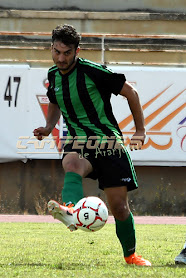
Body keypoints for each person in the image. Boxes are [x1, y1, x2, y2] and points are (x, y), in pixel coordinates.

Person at [34, 24, 151, 266]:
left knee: (119, 207)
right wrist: (48, 127)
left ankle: (130, 256)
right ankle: (69, 210)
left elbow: (132, 93)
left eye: (67, 53)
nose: (61, 58)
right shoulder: (53, 76)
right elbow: (55, 102)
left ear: (78, 51)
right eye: (56, 52)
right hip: (79, 141)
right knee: (71, 162)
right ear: (51, 49)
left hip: (108, 143)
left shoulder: (93, 72)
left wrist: (140, 131)